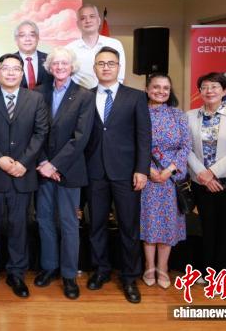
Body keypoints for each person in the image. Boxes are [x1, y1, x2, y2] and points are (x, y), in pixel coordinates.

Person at [0, 54, 49, 298]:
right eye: (5, 68)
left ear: (22, 73)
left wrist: (23, 162)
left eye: (15, 68)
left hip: (22, 174)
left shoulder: (35, 99)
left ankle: (17, 273)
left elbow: (40, 133)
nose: (10, 72)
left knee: (19, 227)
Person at [84, 46, 151, 304]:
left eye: (110, 63)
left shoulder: (136, 97)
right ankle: (100, 270)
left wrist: (142, 169)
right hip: (94, 172)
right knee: (96, 225)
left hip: (126, 173)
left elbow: (144, 137)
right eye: (101, 63)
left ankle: (129, 277)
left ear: (118, 67)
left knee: (128, 227)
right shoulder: (85, 97)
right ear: (94, 68)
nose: (106, 67)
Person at [34, 47, 94, 300]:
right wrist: (43, 163)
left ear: (72, 67)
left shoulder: (84, 96)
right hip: (42, 169)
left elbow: (81, 137)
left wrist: (55, 165)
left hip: (69, 169)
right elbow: (33, 132)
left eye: (64, 63)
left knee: (69, 223)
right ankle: (49, 267)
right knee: (44, 220)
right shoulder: (38, 93)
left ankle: (69, 275)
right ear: (49, 67)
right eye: (55, 63)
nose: (59, 67)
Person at [187, 72, 226, 279]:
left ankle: (222, 273)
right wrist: (203, 174)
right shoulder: (189, 116)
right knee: (207, 227)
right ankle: (208, 271)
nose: (209, 91)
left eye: (215, 87)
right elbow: (186, 149)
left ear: (224, 91)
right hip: (201, 182)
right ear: (200, 91)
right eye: (205, 87)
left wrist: (212, 173)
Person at [140, 73, 190, 289]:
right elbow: (131, 144)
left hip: (171, 179)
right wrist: (148, 170)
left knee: (168, 225)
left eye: (165, 88)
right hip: (146, 177)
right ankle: (148, 266)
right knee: (149, 223)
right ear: (147, 89)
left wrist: (169, 170)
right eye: (156, 87)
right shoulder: (139, 113)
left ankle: (163, 267)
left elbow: (186, 146)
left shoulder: (178, 115)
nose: (161, 91)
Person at [65, 4, 126, 89]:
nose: (88, 21)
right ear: (78, 24)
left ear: (99, 21)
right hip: (80, 95)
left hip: (109, 94)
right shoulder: (68, 49)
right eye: (83, 18)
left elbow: (120, 76)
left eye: (92, 16)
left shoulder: (115, 44)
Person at [14, 20, 51, 89]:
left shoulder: (49, 59)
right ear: (16, 40)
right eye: (22, 35)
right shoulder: (9, 61)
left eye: (32, 35)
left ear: (38, 38)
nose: (27, 39)